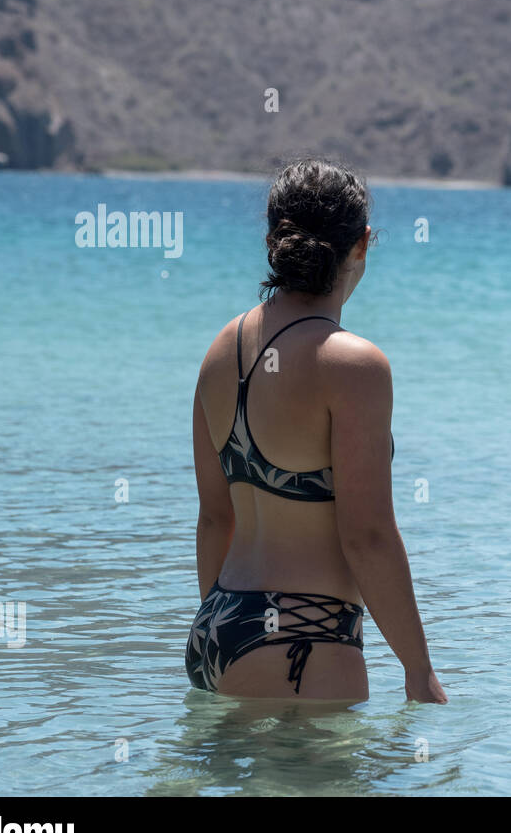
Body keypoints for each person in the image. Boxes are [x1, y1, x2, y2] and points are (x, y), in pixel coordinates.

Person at [184, 157, 447, 704]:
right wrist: (418, 670)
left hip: (216, 626)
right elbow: (366, 535)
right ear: (363, 243)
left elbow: (215, 519)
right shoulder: (352, 365)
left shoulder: (220, 351)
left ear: (272, 239)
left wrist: (223, 626)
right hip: (305, 636)